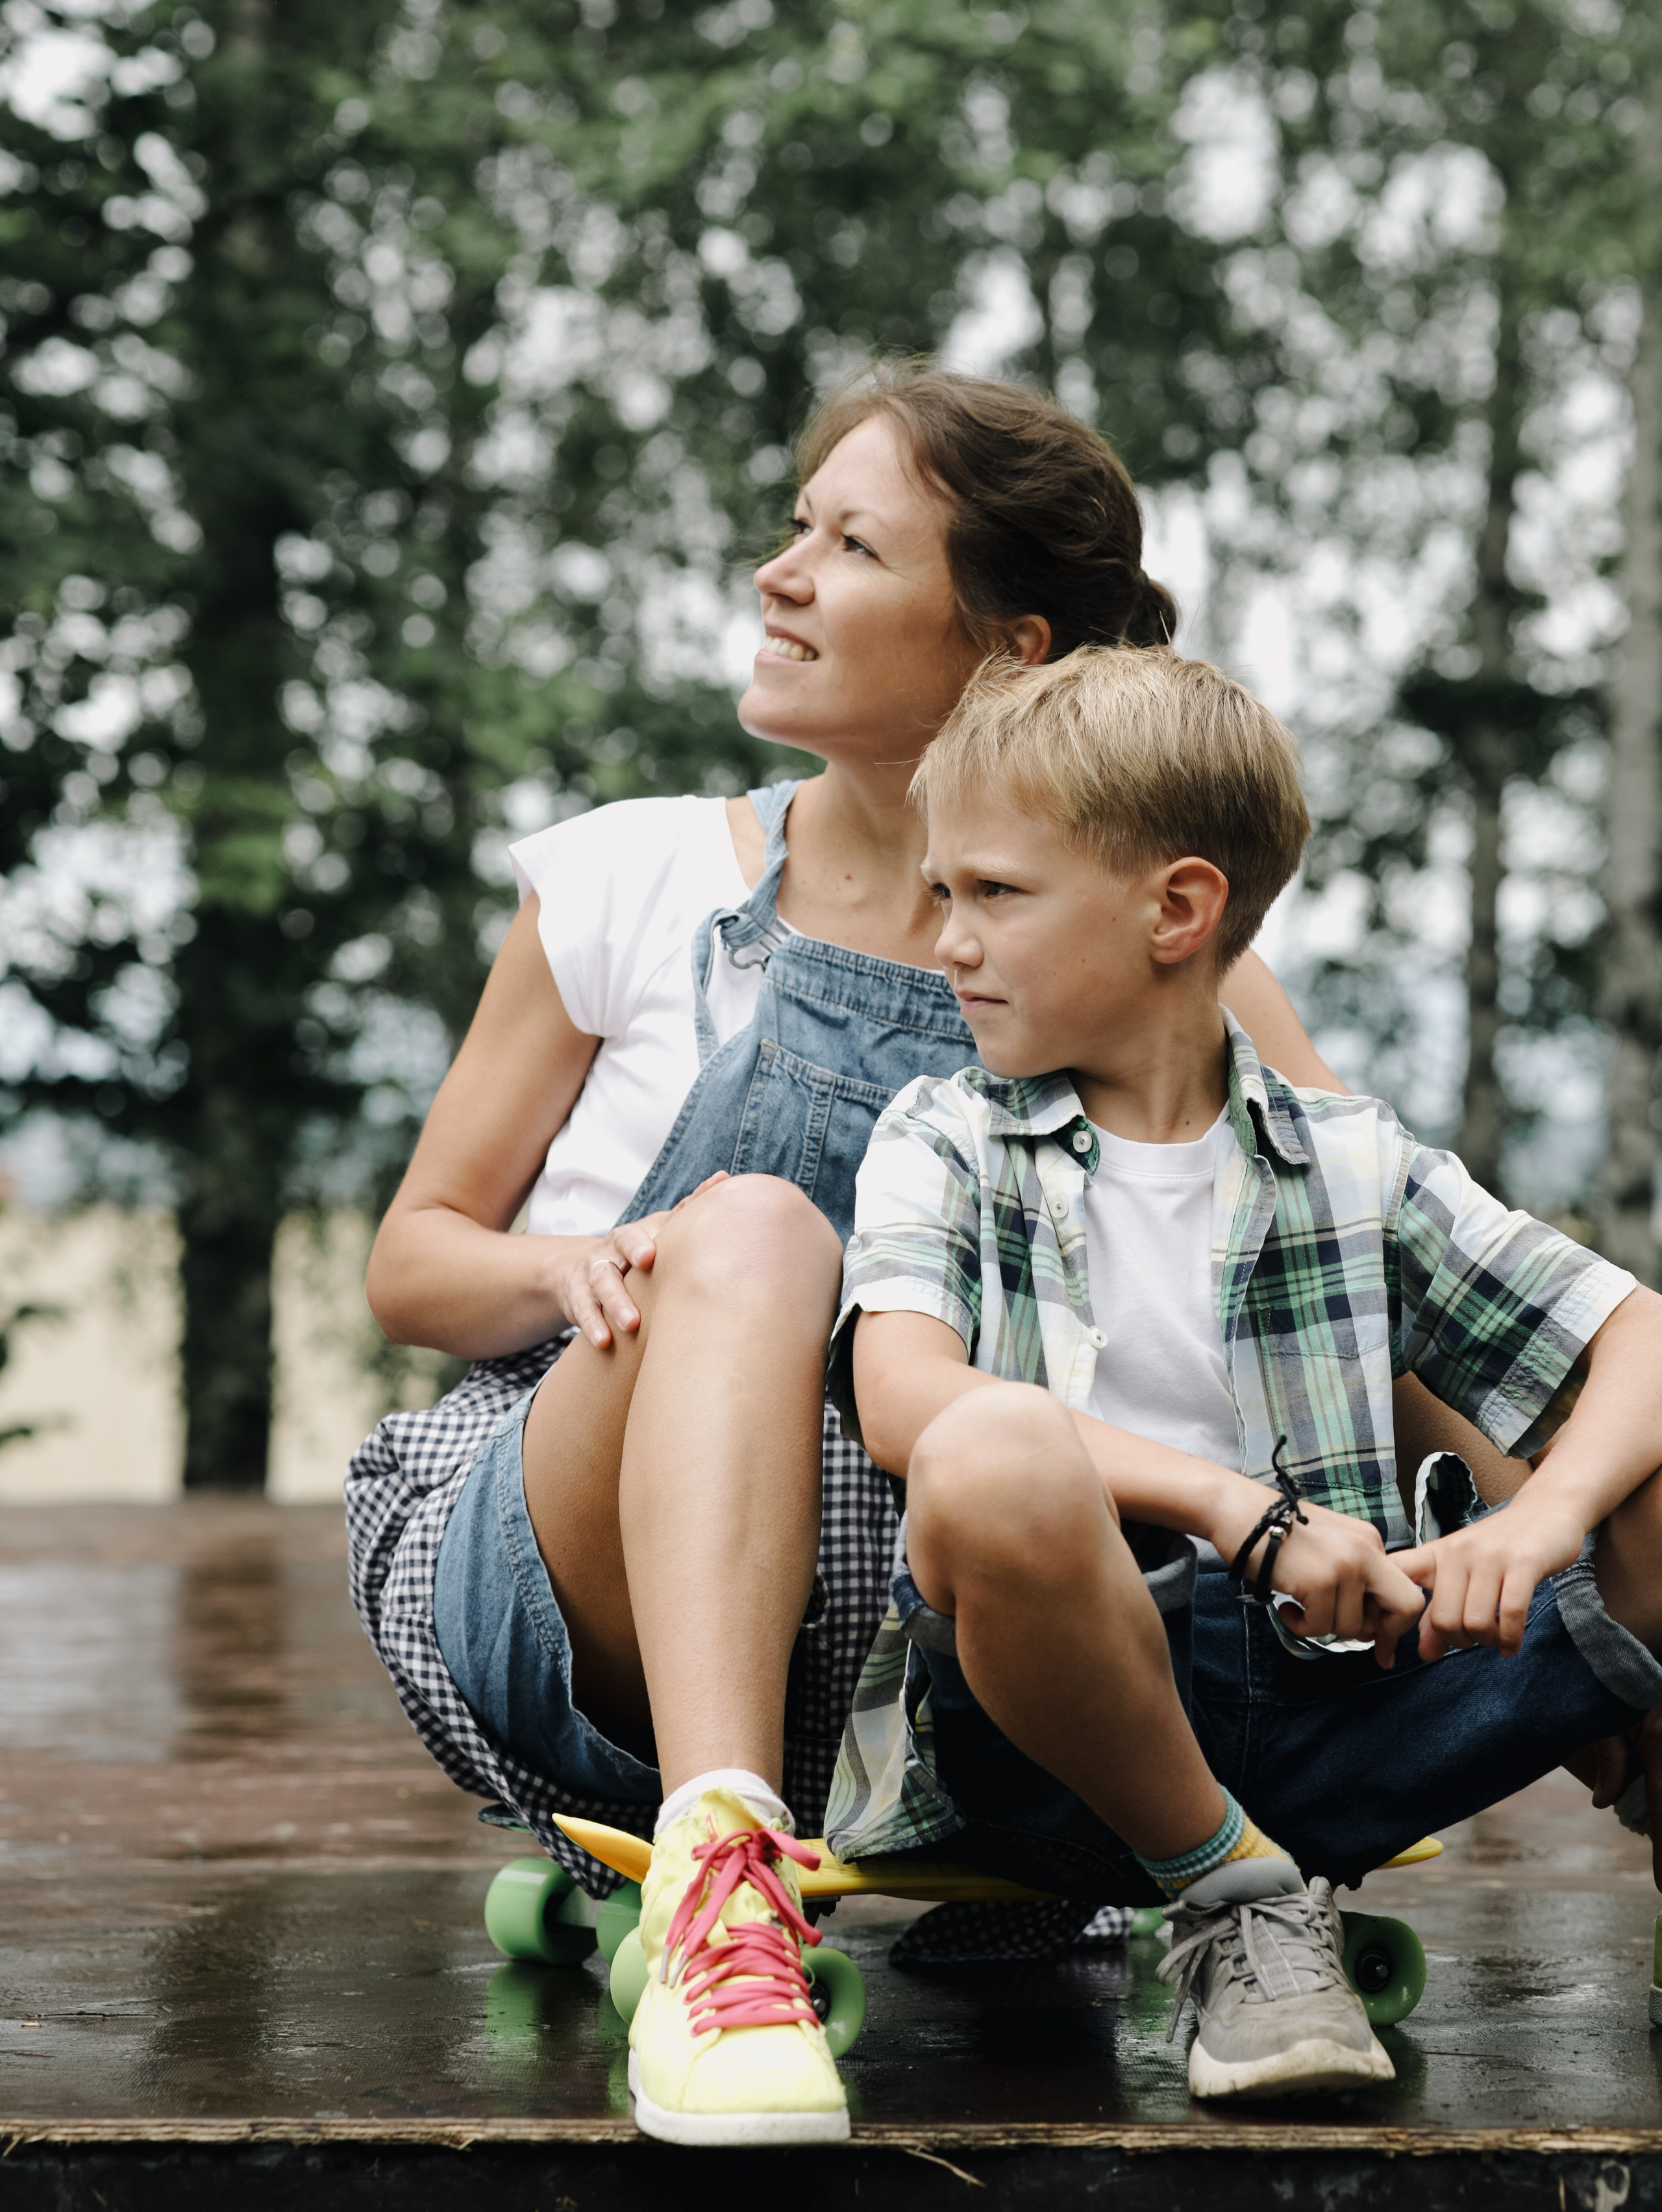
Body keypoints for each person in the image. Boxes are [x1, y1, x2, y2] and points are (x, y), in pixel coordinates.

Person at [347, 366, 1505, 2146]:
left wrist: (1541, 1552)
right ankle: (721, 1868)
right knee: (745, 1236)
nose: (777, 574)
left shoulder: (1157, 955)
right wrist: (576, 1271)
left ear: (1001, 647)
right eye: (796, 526)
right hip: (592, 1577)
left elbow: (1376, 1272)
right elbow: (414, 1261)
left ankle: (1097, 1844)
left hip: (972, 1637)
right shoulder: (628, 883)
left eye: (849, 542)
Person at [826, 642, 1662, 2104]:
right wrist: (1242, 1514)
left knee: (1645, 1483)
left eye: (993, 894)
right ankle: (1231, 1903)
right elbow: (904, 1400)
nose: (945, 939)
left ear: (1177, 906)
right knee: (994, 1449)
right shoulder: (941, 1135)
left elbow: (1637, 1334)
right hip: (1053, 1761)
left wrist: (1531, 1528)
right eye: (940, 893)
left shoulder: (1351, 1161)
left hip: (1336, 1709)